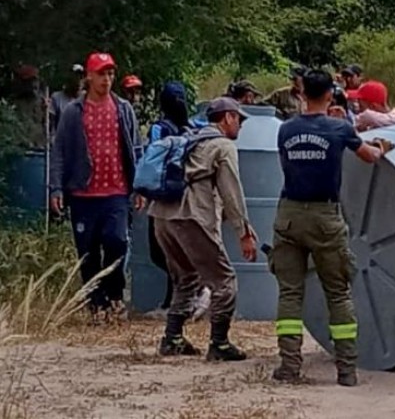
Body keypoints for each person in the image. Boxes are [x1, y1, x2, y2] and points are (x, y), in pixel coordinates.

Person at [269, 69, 393, 386]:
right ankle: (347, 370)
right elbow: (369, 157)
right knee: (337, 293)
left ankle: (289, 366)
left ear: (301, 94)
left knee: (290, 294)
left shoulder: (285, 129)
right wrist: (381, 147)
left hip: (289, 215)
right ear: (329, 95)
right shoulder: (339, 129)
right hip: (325, 217)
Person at [149, 97, 257, 361]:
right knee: (224, 280)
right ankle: (219, 343)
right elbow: (231, 192)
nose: (240, 126)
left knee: (186, 277)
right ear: (227, 117)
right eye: (239, 119)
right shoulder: (222, 146)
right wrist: (243, 231)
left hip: (162, 215)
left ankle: (172, 338)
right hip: (191, 216)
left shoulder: (189, 139)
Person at [50, 52, 145, 320]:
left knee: (117, 242)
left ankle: (114, 294)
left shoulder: (123, 109)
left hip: (116, 191)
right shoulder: (73, 112)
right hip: (83, 193)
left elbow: (136, 149)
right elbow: (59, 151)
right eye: (102, 74)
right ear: (89, 77)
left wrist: (139, 186)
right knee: (87, 251)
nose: (107, 79)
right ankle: (95, 303)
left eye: (111, 74)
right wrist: (56, 188)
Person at [145, 81, 210, 319]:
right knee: (176, 252)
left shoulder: (159, 129)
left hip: (163, 196)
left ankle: (191, 294)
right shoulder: (193, 127)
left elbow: (151, 162)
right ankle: (182, 299)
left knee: (161, 252)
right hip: (187, 196)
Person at [10, 64, 48, 148]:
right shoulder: (16, 104)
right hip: (22, 145)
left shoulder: (42, 100)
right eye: (31, 81)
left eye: (36, 80)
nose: (35, 84)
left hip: (39, 144)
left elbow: (46, 123)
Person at [48, 64, 85, 136]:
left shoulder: (87, 99)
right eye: (75, 77)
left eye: (81, 77)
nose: (78, 80)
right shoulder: (57, 98)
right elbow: (50, 125)